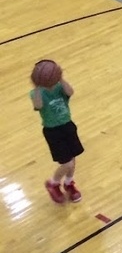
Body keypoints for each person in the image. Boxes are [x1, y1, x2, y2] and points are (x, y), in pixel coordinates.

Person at [30, 63, 84, 204]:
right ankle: (53, 184)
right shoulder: (37, 93)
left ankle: (68, 183)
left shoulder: (61, 88)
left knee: (72, 159)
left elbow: (71, 92)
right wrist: (36, 87)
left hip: (68, 125)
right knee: (66, 163)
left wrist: (60, 78)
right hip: (53, 131)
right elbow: (38, 106)